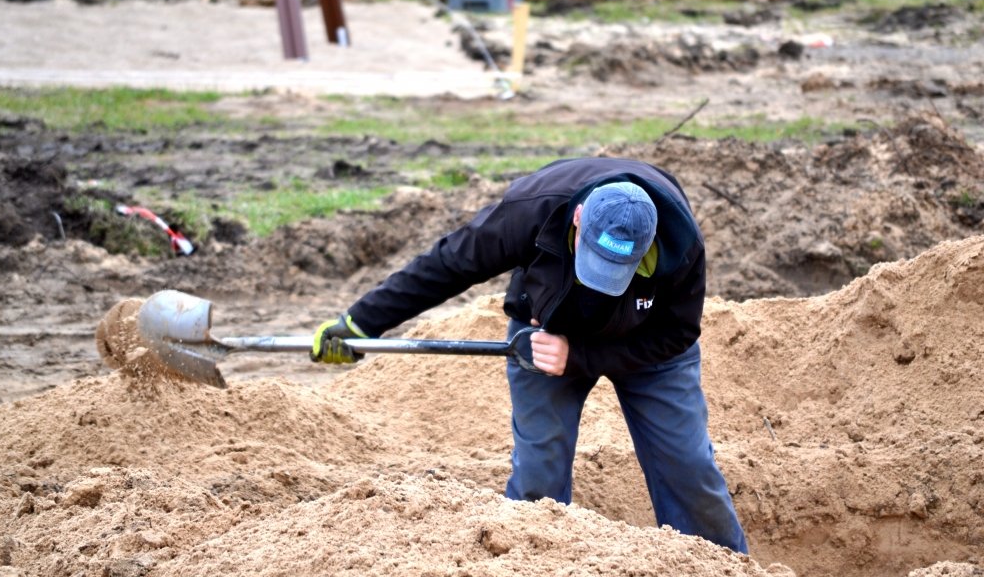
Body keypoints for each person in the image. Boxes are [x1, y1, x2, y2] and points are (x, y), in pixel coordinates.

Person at [310, 156, 748, 553]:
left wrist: (579, 357)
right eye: (594, 259)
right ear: (578, 218)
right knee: (539, 473)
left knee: (688, 466)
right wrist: (361, 322)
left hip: (646, 344)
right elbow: (447, 265)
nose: (601, 280)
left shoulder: (682, 244)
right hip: (546, 333)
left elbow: (680, 332)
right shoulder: (533, 209)